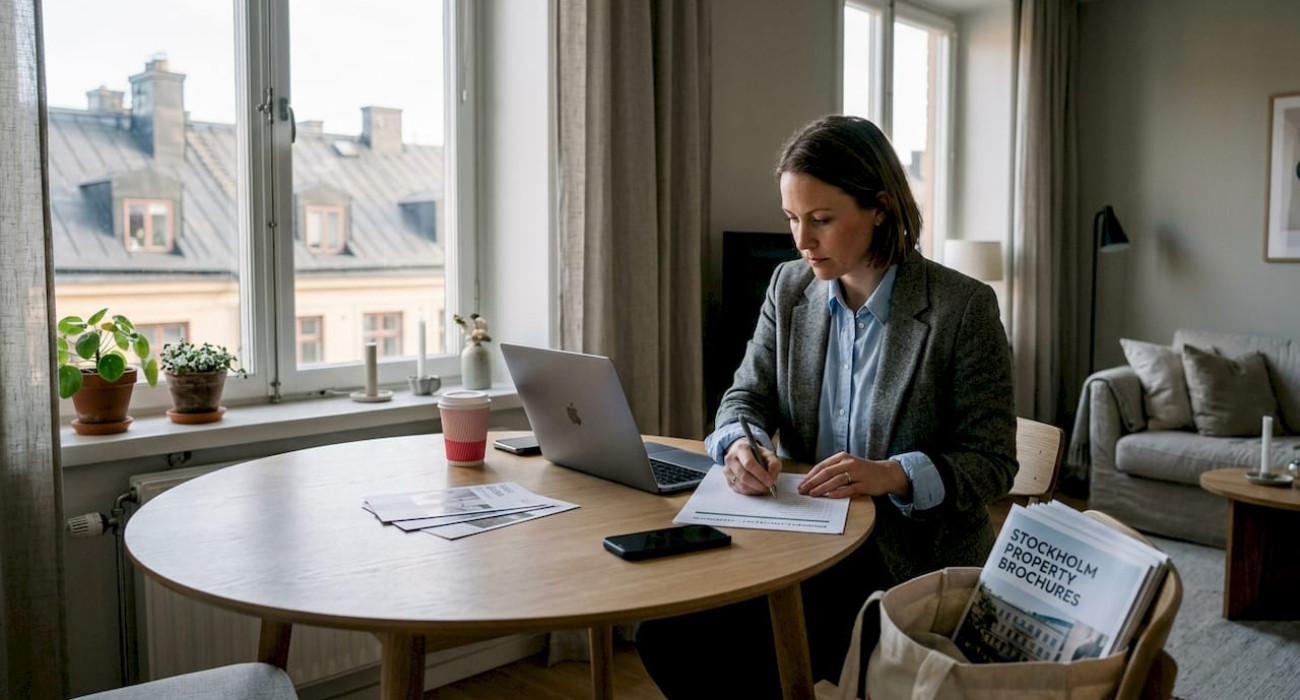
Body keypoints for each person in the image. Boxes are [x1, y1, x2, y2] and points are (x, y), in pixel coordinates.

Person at [635, 115, 1018, 699]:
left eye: (821, 220)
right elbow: (744, 396)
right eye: (792, 218)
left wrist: (893, 475)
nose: (801, 240)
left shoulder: (962, 308)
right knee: (663, 634)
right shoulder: (789, 289)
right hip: (800, 540)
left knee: (730, 651)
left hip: (902, 562)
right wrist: (739, 441)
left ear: (880, 208)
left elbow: (993, 461)